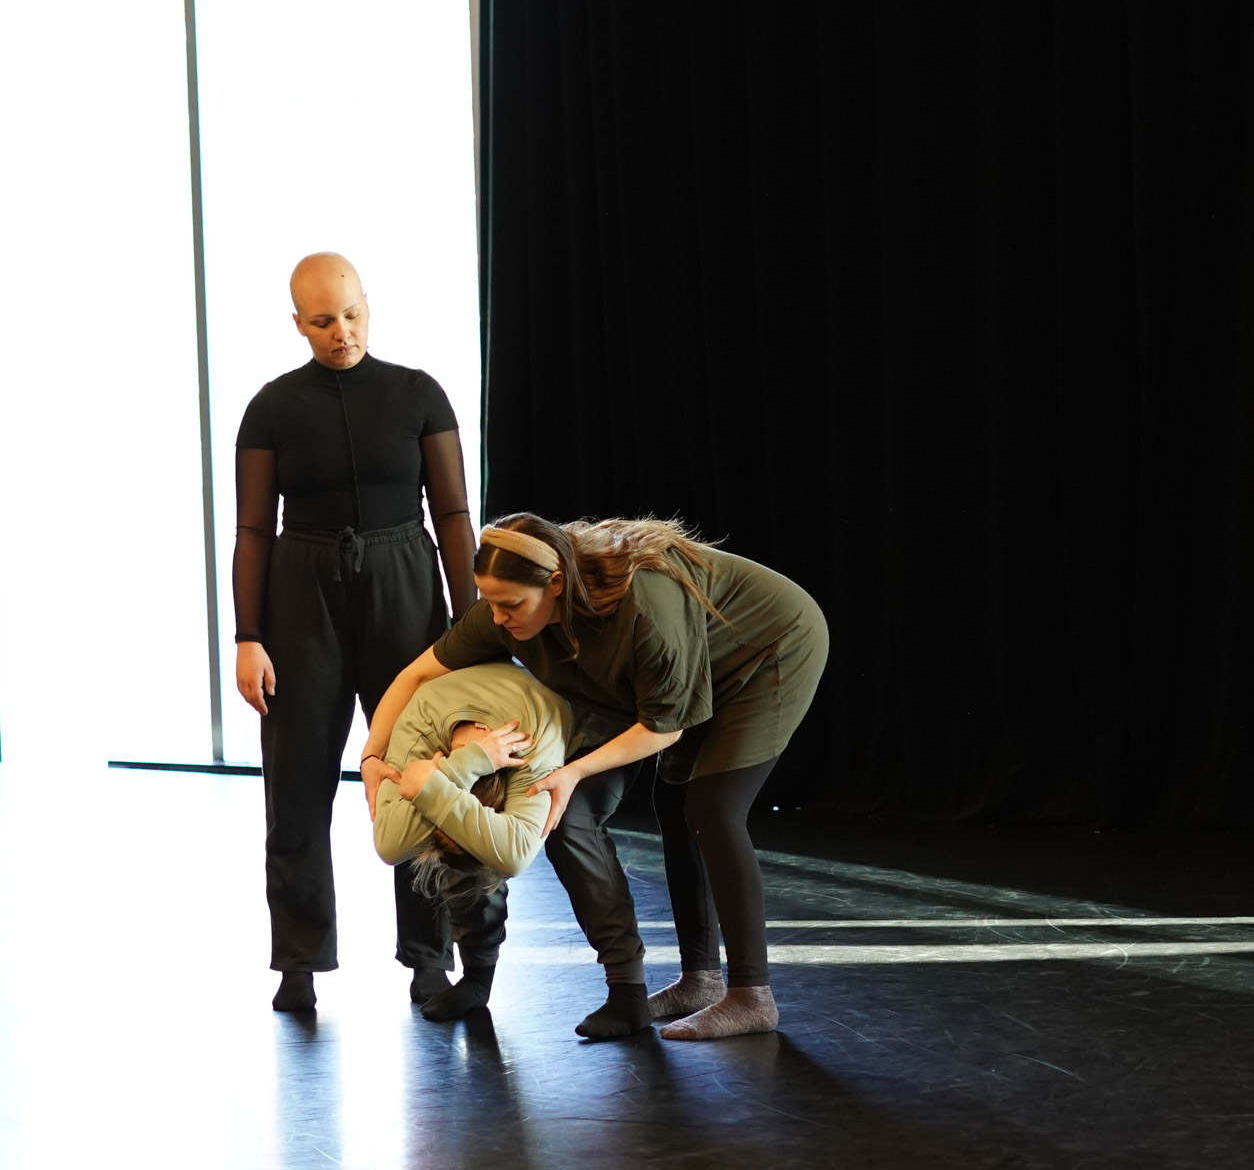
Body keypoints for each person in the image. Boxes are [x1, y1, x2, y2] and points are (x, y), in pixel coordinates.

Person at [364, 514, 828, 1040]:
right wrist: (371, 760)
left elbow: (663, 728)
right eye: (488, 602)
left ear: (555, 583)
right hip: (676, 677)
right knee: (659, 809)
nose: (496, 618)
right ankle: (699, 979)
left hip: (766, 652)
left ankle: (751, 995)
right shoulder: (508, 613)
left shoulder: (642, 607)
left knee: (712, 809)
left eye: (511, 605)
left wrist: (574, 770)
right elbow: (417, 672)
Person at [234, 252, 479, 1012]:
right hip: (300, 593)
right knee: (298, 780)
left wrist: (472, 624)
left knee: (420, 773)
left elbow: (455, 516)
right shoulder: (271, 407)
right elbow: (251, 528)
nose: (340, 333)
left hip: (405, 580)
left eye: (351, 315)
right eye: (321, 321)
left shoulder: (418, 394)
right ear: (296, 322)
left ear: (367, 306)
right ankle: (299, 962)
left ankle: (429, 956)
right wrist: (247, 635)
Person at [369, 661, 577, 1019]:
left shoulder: (534, 743)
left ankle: (479, 977)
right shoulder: (418, 728)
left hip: (571, 705)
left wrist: (434, 783)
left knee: (488, 853)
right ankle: (475, 977)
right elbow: (389, 845)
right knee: (462, 846)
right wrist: (462, 766)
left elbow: (514, 856)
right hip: (446, 695)